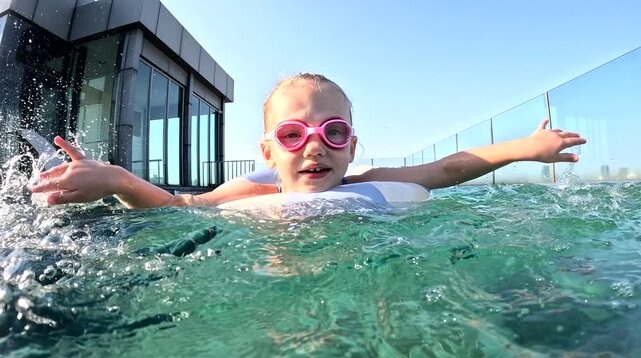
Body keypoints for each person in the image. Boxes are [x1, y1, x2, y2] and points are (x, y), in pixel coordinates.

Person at [31, 73, 587, 208]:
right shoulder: (253, 193)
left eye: (333, 132)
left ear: (350, 146)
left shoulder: (369, 184)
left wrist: (521, 148)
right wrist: (117, 180)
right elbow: (180, 207)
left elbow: (444, 170)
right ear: (269, 150)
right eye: (294, 134)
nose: (314, 146)